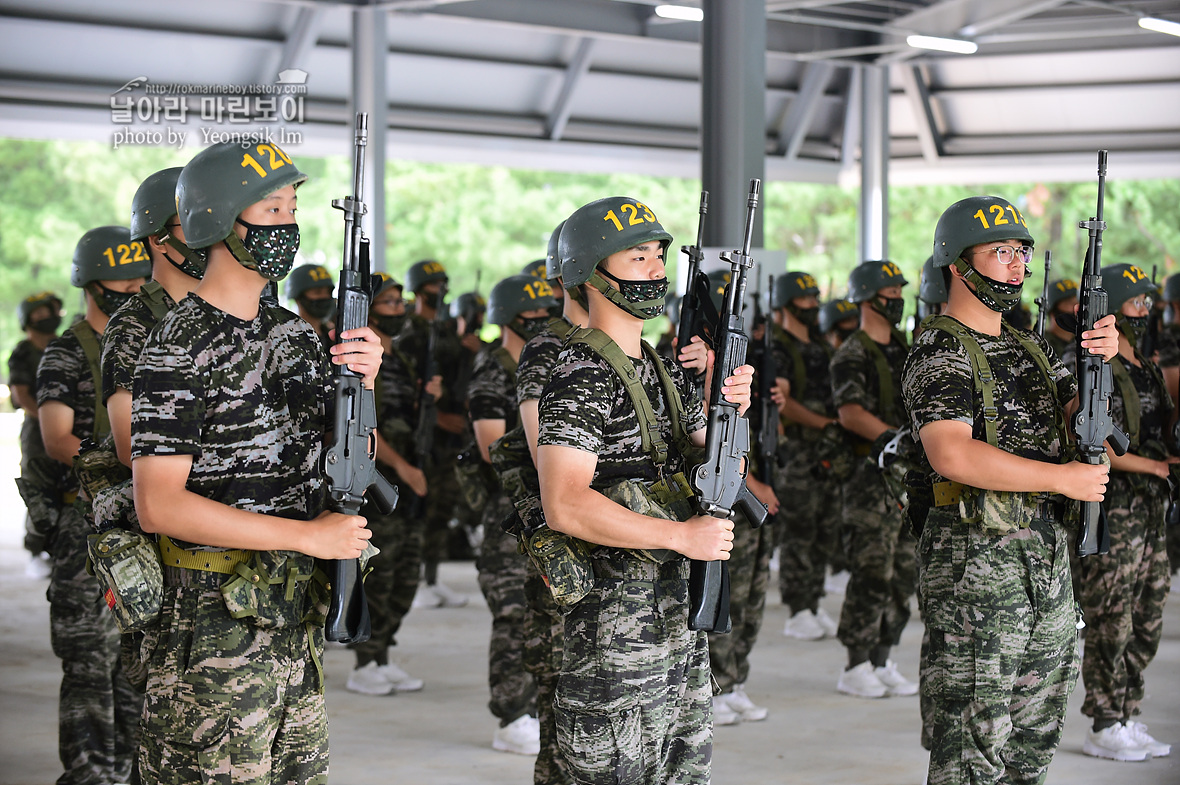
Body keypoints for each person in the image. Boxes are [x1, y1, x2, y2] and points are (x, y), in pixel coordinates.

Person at [129, 140, 383, 784]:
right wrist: (307, 536)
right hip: (212, 627)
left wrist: (365, 387)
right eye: (270, 209)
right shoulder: (176, 346)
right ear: (216, 221)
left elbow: (341, 456)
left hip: (292, 614)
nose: (287, 225)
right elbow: (158, 504)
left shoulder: (293, 334)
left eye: (292, 208)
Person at [903, 194, 1120, 784]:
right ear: (956, 263)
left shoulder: (1030, 345)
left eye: (1021, 251)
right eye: (1000, 251)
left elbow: (1078, 411)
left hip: (1044, 557)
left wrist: (1103, 363)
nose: (1017, 264)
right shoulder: (940, 347)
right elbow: (951, 453)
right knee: (974, 738)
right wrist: (1062, 479)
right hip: (977, 559)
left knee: (1036, 731)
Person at [536, 196, 753, 784]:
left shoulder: (657, 367)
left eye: (659, 255)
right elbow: (564, 501)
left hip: (676, 613)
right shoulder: (581, 371)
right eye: (638, 258)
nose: (657, 269)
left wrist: (731, 406)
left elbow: (712, 459)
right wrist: (680, 535)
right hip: (616, 628)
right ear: (590, 271)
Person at [37, 226, 149, 785]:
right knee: (88, 664)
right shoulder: (67, 350)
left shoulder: (150, 342)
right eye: (121, 279)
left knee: (138, 663)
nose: (134, 287)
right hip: (84, 527)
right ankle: (88, 775)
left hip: (139, 525)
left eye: (140, 278)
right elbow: (58, 438)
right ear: (91, 282)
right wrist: (120, 468)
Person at [1060, 263, 1174, 762]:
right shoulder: (1092, 366)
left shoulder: (1146, 365)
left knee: (1147, 615)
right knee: (1112, 617)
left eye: (1149, 303)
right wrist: (1158, 467)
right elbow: (1097, 441)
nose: (1146, 311)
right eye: (1137, 303)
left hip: (1150, 512)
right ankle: (1105, 721)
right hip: (1115, 510)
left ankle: (1128, 710)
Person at [510, 219, 586, 785]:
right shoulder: (549, 347)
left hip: (624, 554)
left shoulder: (641, 352)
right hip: (568, 544)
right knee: (563, 699)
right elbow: (546, 456)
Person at [468, 273, 556, 753]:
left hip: (539, 509)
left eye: (548, 311)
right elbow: (489, 446)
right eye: (533, 313)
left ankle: (535, 706)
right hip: (507, 514)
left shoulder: (545, 362)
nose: (542, 320)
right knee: (511, 613)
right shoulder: (494, 369)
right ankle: (510, 715)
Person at [829, 260, 919, 698]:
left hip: (907, 480)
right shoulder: (853, 352)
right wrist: (893, 438)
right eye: (889, 291)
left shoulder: (905, 347)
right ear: (867, 297)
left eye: (899, 290)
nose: (897, 298)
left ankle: (883, 656)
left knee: (904, 571)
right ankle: (856, 662)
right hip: (871, 480)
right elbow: (850, 413)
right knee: (871, 572)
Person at [346, 272, 432, 696]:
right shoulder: (357, 363)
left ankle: (382, 655)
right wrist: (405, 467)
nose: (398, 310)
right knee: (379, 577)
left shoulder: (401, 361)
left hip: (407, 486)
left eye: (401, 303)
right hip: (378, 483)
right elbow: (365, 428)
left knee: (405, 576)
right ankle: (365, 660)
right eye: (389, 303)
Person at [770, 272, 842, 642]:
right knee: (799, 531)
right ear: (786, 304)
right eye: (806, 300)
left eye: (816, 299)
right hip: (798, 451)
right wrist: (826, 423)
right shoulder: (778, 347)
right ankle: (798, 608)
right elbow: (784, 405)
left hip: (826, 451)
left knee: (824, 528)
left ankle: (813, 602)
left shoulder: (819, 343)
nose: (813, 306)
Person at [395, 259, 469, 608]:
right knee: (422, 510)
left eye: (442, 284)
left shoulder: (448, 330)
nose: (439, 291)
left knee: (442, 510)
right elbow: (407, 390)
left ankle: (432, 577)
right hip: (426, 434)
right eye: (433, 285)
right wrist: (438, 417)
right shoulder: (408, 333)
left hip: (452, 437)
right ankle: (418, 581)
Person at [10, 290, 66, 577]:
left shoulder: (64, 346)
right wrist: (48, 418)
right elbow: (20, 395)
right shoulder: (24, 352)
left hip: (68, 427)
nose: (48, 318)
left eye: (51, 313)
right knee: (38, 489)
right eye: (40, 315)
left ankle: (58, 549)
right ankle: (35, 550)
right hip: (37, 432)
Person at [287, 263, 336, 343]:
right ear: (298, 297)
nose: (325, 296)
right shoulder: (288, 338)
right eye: (317, 292)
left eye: (328, 292)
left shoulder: (333, 337)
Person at [1042, 278, 1078, 358]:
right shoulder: (1041, 344)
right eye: (1070, 302)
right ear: (1053, 309)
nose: (1076, 306)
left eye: (1078, 302)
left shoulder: (1082, 342)